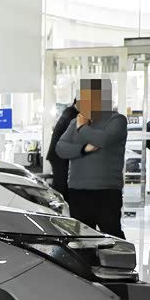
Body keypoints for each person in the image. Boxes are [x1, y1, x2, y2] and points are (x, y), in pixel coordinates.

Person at [53, 78, 127, 238]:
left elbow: (102, 140)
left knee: (112, 234)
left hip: (106, 190)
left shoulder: (117, 120)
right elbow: (60, 148)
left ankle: (120, 256)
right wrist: (83, 149)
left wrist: (82, 128)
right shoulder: (75, 121)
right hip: (78, 189)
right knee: (81, 238)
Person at [46, 99, 79, 198]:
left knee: (61, 182)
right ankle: (59, 204)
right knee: (62, 184)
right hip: (58, 156)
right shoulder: (70, 114)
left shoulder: (70, 113)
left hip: (59, 154)